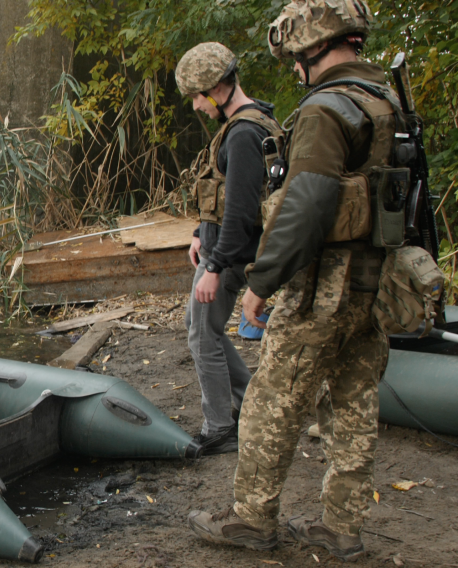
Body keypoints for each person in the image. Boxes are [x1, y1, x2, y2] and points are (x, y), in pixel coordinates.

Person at [188, 0, 397, 560]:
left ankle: (251, 519)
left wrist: (261, 282)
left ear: (310, 48)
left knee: (270, 400)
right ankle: (341, 529)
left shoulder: (326, 111)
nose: (292, 70)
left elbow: (306, 204)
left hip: (323, 287)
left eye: (294, 58)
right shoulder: (385, 102)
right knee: (352, 403)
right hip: (374, 284)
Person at [176, 42, 283, 455]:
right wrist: (199, 233)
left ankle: (220, 426)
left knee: (203, 337)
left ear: (216, 88)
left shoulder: (243, 133)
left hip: (231, 255)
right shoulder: (255, 121)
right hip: (219, 246)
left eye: (197, 98)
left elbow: (240, 209)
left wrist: (217, 265)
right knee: (200, 327)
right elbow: (224, 194)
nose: (197, 107)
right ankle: (253, 400)